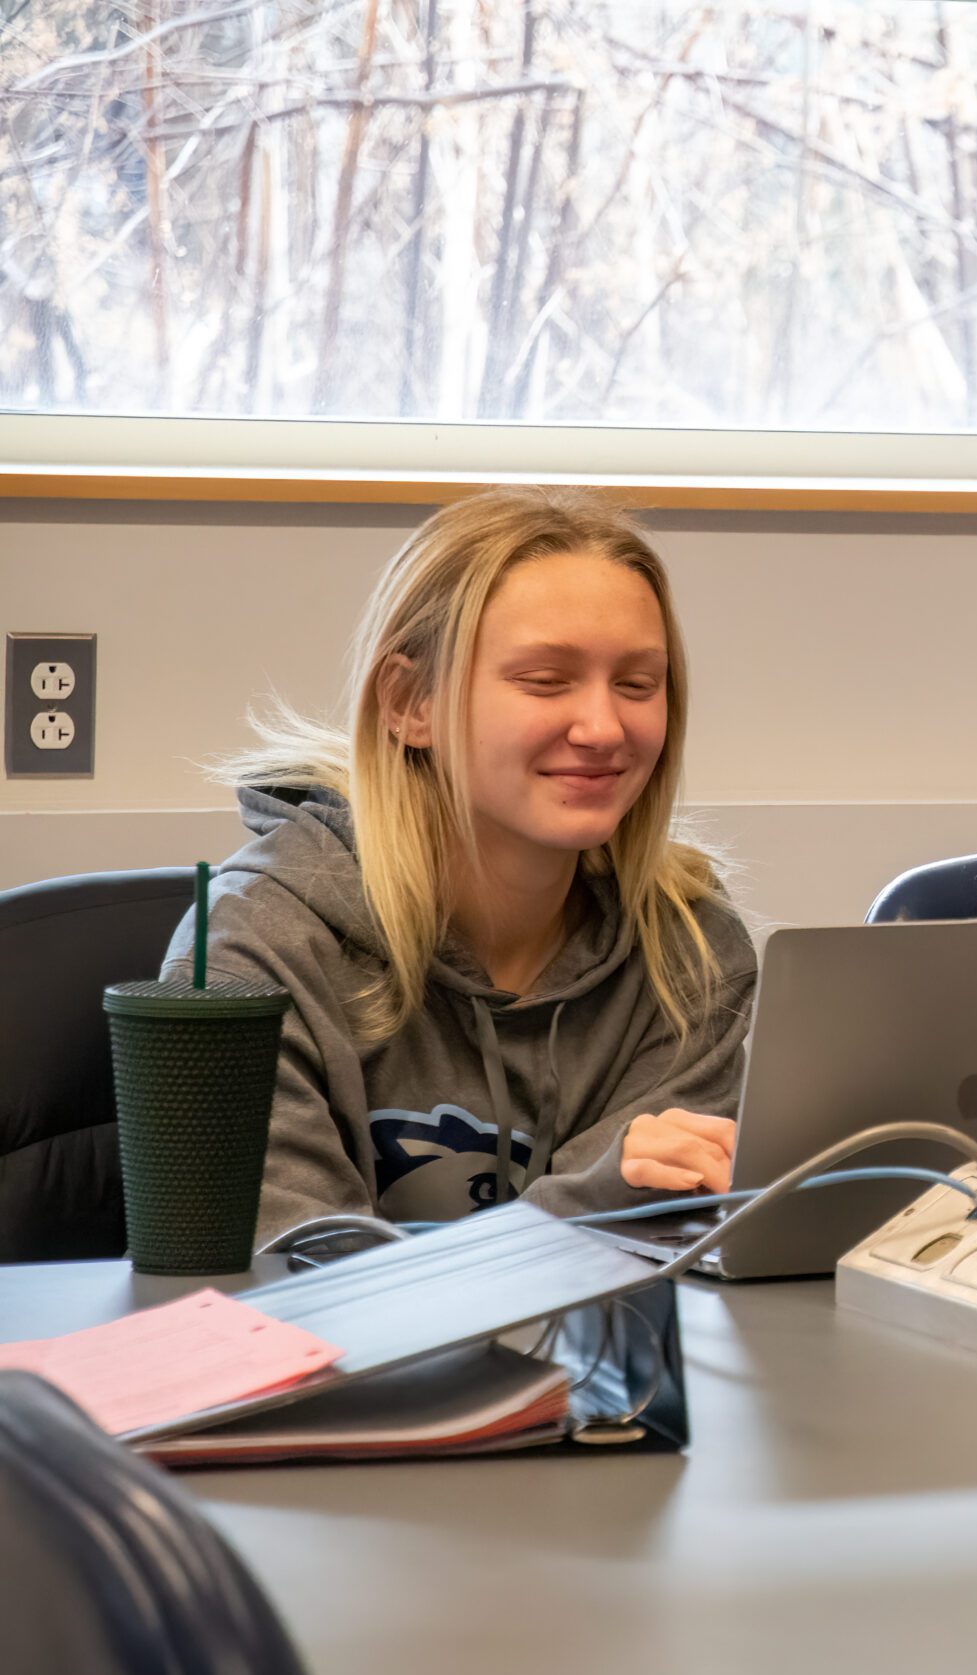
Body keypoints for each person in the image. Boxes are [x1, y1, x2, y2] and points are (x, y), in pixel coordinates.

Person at [174, 487, 759, 1243]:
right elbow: (290, 1287)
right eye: (546, 680)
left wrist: (608, 1206)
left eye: (638, 683)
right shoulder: (256, 946)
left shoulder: (691, 953)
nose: (604, 727)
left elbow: (645, 1267)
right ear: (411, 701)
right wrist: (592, 1201)